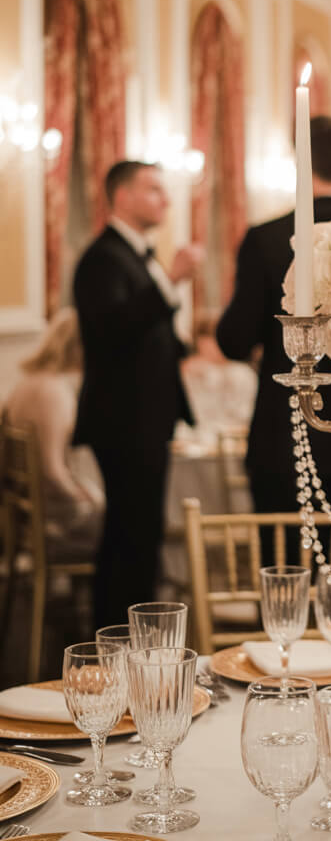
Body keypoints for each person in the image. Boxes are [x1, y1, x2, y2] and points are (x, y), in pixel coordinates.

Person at [217, 117, 331, 560]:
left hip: (286, 435)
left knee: (284, 575)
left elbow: (234, 340)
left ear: (301, 160)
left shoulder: (266, 240)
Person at [73, 161, 202, 626]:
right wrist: (172, 279)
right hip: (123, 421)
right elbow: (112, 329)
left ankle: (134, 641)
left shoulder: (132, 255)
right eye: (153, 190)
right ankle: (120, 643)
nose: (165, 200)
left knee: (138, 533)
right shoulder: (102, 258)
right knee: (130, 535)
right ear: (122, 197)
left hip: (145, 418)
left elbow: (144, 335)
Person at [4, 308, 102, 551]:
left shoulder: (25, 383)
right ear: (78, 347)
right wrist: (83, 497)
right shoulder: (54, 393)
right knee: (126, 516)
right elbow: (52, 470)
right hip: (52, 514)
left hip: (23, 508)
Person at [180, 310, 257, 439]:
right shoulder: (189, 371)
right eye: (206, 339)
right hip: (195, 440)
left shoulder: (243, 374)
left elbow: (246, 415)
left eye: (214, 339)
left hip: (233, 439)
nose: (211, 346)